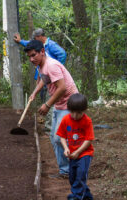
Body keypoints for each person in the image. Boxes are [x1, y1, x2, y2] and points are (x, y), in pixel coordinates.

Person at [24, 40, 78, 178]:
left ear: (42, 51)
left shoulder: (51, 65)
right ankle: (66, 170)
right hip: (60, 104)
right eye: (29, 56)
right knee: (55, 138)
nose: (31, 59)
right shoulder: (41, 65)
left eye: (33, 55)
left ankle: (70, 170)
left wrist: (47, 105)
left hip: (69, 104)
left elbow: (62, 88)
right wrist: (35, 92)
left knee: (60, 138)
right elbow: (44, 78)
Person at [14, 28, 67, 132]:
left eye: (35, 38)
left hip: (54, 80)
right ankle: (50, 126)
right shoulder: (39, 51)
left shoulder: (51, 47)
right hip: (44, 79)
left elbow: (62, 54)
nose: (32, 58)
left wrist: (58, 69)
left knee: (50, 102)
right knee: (46, 100)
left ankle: (49, 128)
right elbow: (30, 46)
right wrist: (20, 41)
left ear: (39, 37)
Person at [56, 93, 94, 200]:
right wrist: (66, 148)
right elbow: (62, 136)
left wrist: (78, 151)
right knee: (72, 178)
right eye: (72, 112)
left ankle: (77, 197)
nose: (75, 116)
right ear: (68, 109)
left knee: (81, 175)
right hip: (72, 154)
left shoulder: (87, 121)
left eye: (79, 113)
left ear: (84, 110)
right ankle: (86, 196)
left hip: (84, 154)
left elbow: (89, 139)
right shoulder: (65, 120)